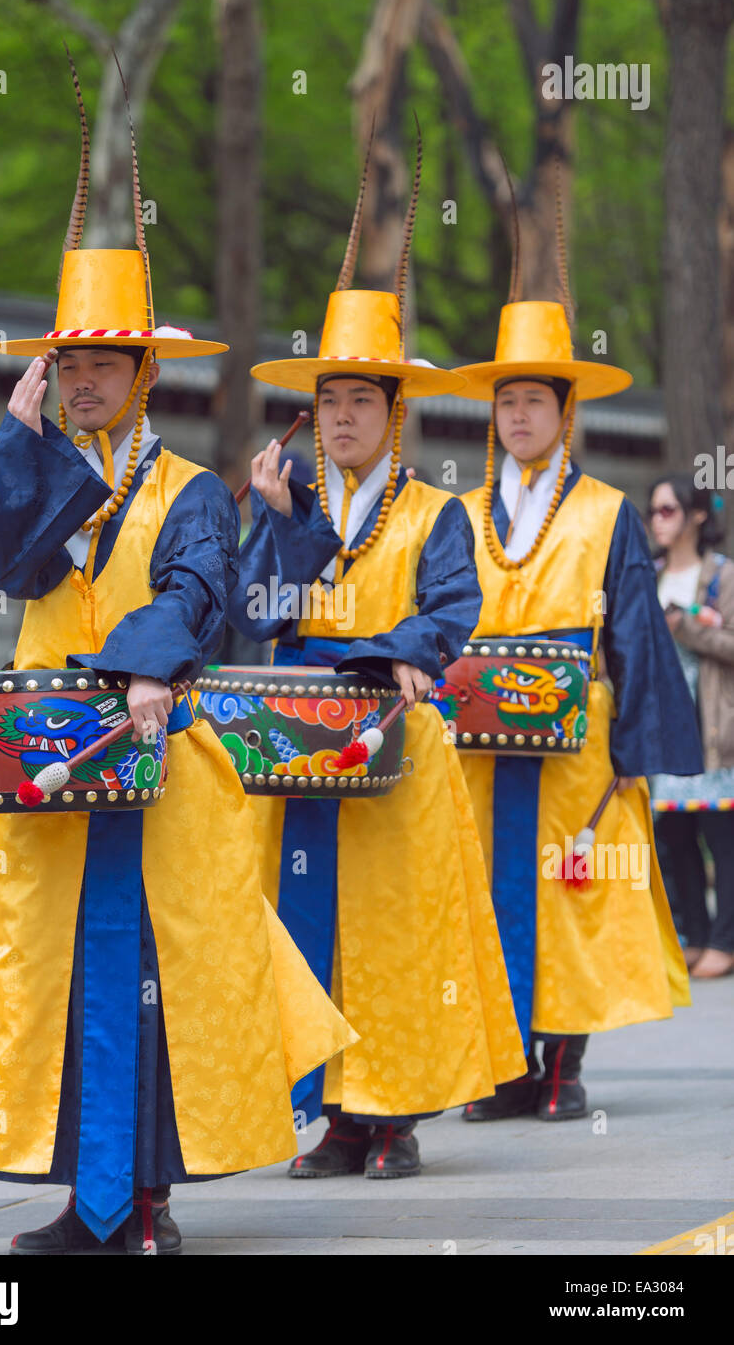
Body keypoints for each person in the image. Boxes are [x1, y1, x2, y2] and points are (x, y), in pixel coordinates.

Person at [0, 64, 354, 1257]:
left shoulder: (188, 496)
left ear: (144, 374)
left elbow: (198, 594)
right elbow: (4, 568)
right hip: (52, 781)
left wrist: (146, 671)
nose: (82, 380)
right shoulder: (49, 470)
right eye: (66, 365)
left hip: (157, 770)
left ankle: (147, 1205)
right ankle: (84, 1202)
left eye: (102, 365)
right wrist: (18, 443)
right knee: (55, 986)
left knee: (158, 990)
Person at [227, 140, 525, 1179]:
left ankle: (391, 1116)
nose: (344, 419)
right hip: (311, 753)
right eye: (330, 404)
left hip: (398, 754)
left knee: (397, 935)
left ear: (396, 416)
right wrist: (278, 526)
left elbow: (451, 610)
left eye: (363, 402)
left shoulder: (439, 513)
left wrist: (391, 651)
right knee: (312, 926)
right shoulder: (290, 509)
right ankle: (333, 1116)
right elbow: (268, 612)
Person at [448, 288, 702, 1122]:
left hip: (573, 745)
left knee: (571, 895)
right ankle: (508, 1061)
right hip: (481, 741)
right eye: (505, 402)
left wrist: (634, 745)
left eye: (533, 401)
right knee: (487, 894)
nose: (517, 417)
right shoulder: (464, 512)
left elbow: (632, 628)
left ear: (564, 411)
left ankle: (563, 1064)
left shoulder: (604, 512)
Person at [648, 476, 734, 978]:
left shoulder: (722, 575)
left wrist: (689, 630)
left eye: (668, 510)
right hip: (666, 726)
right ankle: (695, 938)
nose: (659, 519)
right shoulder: (650, 575)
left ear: (696, 515)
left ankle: (725, 939)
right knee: (676, 833)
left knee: (721, 835)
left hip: (715, 727)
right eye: (655, 511)